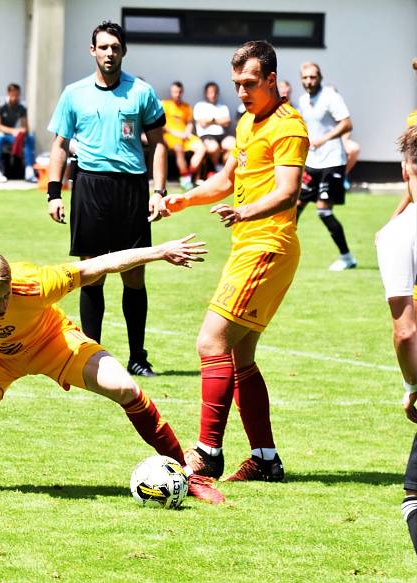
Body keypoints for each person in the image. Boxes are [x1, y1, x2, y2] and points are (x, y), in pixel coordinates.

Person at [0, 238, 224, 504]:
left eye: (6, 295)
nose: (3, 304)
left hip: (54, 344)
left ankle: (187, 476)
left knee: (125, 388)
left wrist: (158, 252)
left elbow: (96, 266)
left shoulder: (34, 283)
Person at [160, 40, 309, 482]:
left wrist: (244, 211)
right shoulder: (247, 122)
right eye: (237, 84)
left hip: (268, 245)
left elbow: (287, 191)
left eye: (249, 84)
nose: (241, 92)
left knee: (211, 342)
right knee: (240, 354)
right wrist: (182, 200)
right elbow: (228, 178)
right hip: (249, 245)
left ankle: (207, 453)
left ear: (271, 80)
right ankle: (265, 459)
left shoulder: (289, 127)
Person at [46, 20, 168, 378]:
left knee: (133, 274)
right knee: (92, 273)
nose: (109, 53)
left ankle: (137, 357)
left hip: (131, 188)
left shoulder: (141, 92)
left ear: (123, 51)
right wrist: (54, 193)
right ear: (93, 51)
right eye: (103, 47)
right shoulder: (74, 93)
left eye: (115, 47)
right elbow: (60, 145)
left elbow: (160, 144)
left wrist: (158, 192)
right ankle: (89, 354)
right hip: (90, 186)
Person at [376, 125, 417, 553]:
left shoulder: (398, 233)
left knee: (415, 498)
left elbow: (405, 331)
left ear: (405, 169)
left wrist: (413, 387)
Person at [295, 62, 356, 271]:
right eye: (305, 78)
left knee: (323, 210)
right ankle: (276, 250)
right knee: (295, 206)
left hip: (332, 162)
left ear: (319, 77)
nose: (309, 81)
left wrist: (324, 139)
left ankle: (347, 257)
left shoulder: (331, 96)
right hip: (312, 163)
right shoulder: (303, 100)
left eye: (312, 77)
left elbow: (347, 124)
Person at [0, 83, 36, 183]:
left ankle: (29, 170)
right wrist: (14, 131)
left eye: (17, 95)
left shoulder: (22, 106)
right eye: (13, 95)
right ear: (8, 93)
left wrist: (23, 131)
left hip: (9, 132)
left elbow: (25, 126)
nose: (15, 97)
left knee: (29, 137)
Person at [162, 81, 206, 190]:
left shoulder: (187, 107)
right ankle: (185, 177)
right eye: (175, 92)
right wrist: (176, 133)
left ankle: (189, 173)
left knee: (201, 148)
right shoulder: (165, 104)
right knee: (178, 148)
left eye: (179, 92)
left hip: (185, 135)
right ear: (171, 92)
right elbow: (161, 124)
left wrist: (187, 132)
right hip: (170, 135)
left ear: (182, 92)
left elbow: (190, 123)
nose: (177, 94)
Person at [193, 81, 235, 175]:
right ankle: (215, 168)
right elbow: (202, 123)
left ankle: (225, 169)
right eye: (211, 92)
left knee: (234, 145)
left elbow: (227, 122)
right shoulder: (200, 106)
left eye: (215, 92)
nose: (213, 95)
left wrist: (211, 120)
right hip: (206, 135)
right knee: (213, 148)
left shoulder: (223, 107)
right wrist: (218, 120)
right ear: (206, 93)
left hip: (222, 134)